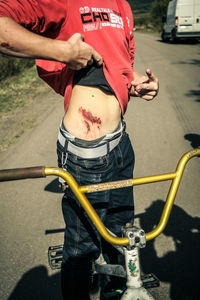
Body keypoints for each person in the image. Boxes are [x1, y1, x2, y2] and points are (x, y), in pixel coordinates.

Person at [0, 1, 159, 299]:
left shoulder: (123, 6)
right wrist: (63, 52)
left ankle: (116, 290)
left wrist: (138, 84)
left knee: (121, 234)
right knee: (81, 248)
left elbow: (124, 66)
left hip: (121, 144)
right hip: (85, 155)